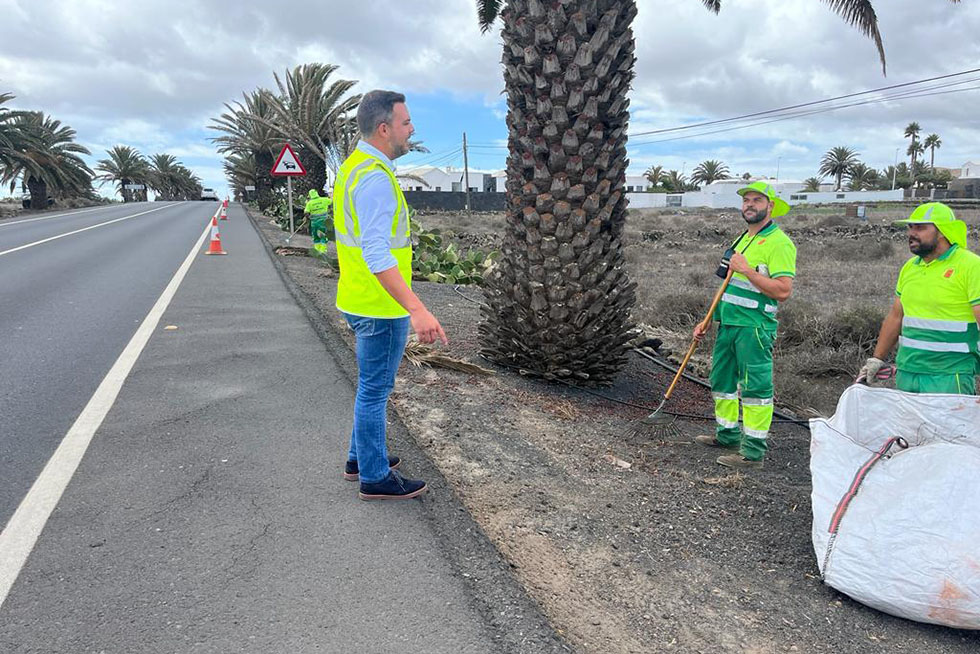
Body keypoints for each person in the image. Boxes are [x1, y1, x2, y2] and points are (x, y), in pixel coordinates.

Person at [333, 89, 448, 501]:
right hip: (379, 307)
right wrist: (417, 309)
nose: (412, 129)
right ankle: (375, 476)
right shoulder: (375, 179)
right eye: (406, 122)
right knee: (375, 391)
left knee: (371, 387)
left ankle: (359, 458)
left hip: (358, 297)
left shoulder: (354, 167)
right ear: (384, 129)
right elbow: (377, 252)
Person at [693, 182, 797, 469]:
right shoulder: (742, 239)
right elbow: (727, 286)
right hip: (728, 324)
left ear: (770, 206)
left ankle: (752, 453)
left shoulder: (780, 243)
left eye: (757, 200)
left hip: (754, 328)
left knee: (755, 390)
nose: (749, 204)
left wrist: (748, 271)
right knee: (722, 383)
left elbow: (783, 291)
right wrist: (708, 320)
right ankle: (727, 435)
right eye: (746, 200)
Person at [859, 202, 980, 394]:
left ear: (942, 232)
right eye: (910, 227)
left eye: (920, 227)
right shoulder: (910, 268)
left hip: (949, 375)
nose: (911, 233)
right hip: (907, 373)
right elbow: (896, 317)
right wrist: (877, 359)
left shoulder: (971, 266)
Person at [304, 189, 332, 254]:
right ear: (317, 194)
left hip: (314, 223)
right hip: (323, 222)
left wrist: (308, 217)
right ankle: (322, 251)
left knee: (316, 236)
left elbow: (306, 212)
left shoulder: (309, 203)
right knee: (323, 235)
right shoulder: (324, 200)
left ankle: (317, 250)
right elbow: (331, 201)